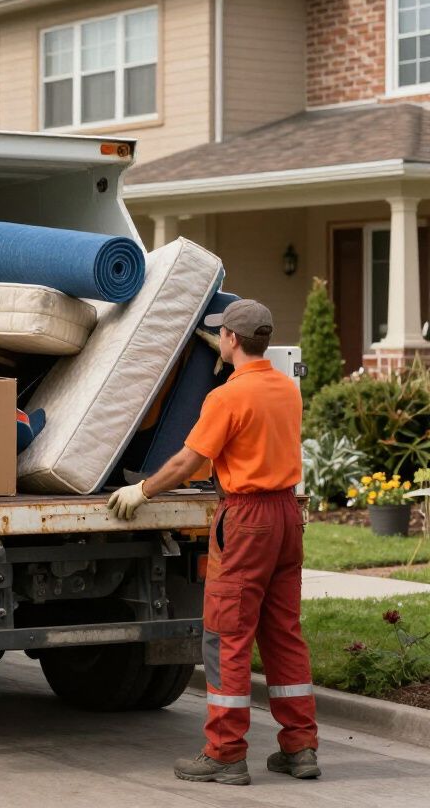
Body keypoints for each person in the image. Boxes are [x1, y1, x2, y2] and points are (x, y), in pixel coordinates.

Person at [108, 299, 319, 786]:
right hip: (288, 515)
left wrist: (141, 489)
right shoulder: (286, 390)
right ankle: (301, 748)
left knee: (226, 634)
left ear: (230, 340)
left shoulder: (225, 397)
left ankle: (225, 753)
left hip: (246, 520)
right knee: (284, 632)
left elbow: (187, 462)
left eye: (222, 335)